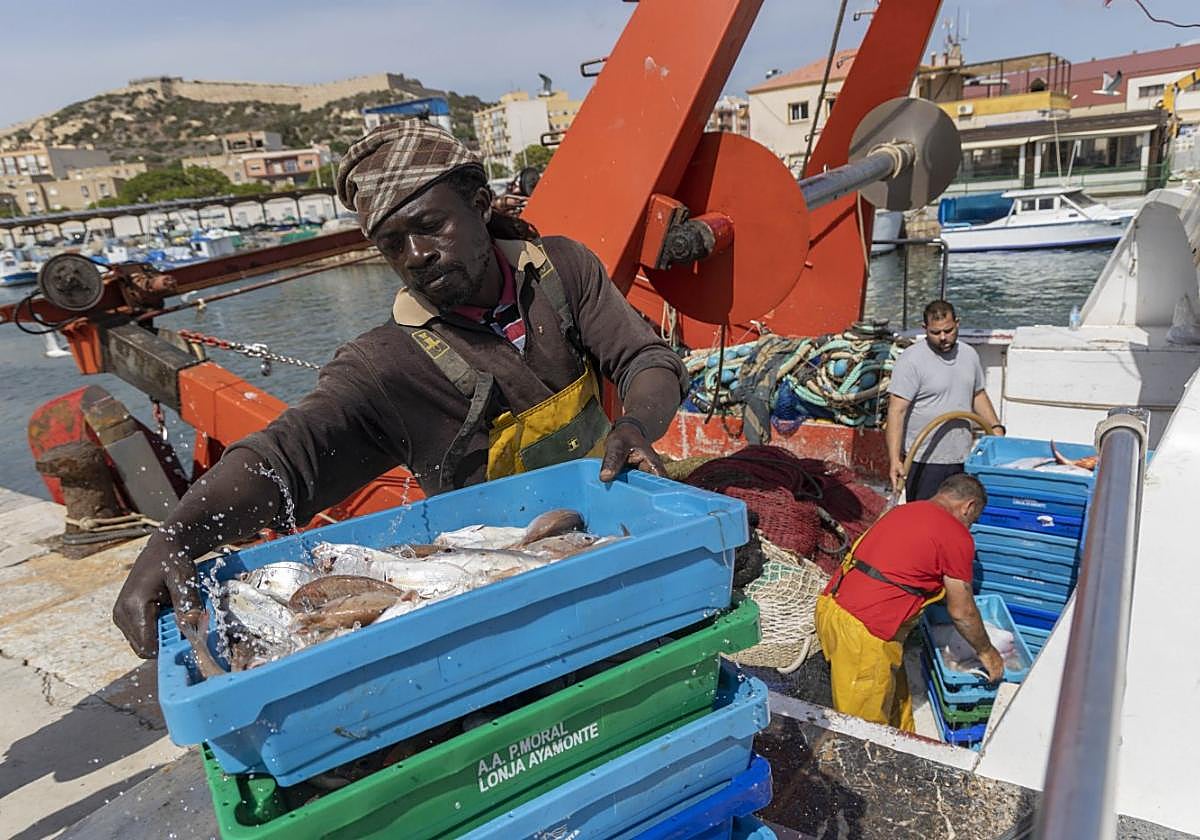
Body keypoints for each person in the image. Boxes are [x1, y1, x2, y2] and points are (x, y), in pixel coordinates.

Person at [112, 120, 688, 657]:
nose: (416, 256)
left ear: (480, 205)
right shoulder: (386, 365)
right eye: (392, 244)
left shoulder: (563, 271)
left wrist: (635, 425)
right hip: (494, 594)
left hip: (609, 530)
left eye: (430, 226)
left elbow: (645, 358)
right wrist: (179, 536)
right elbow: (287, 457)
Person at [814, 473, 1004, 731]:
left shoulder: (903, 511)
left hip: (833, 608)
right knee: (864, 734)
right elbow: (962, 611)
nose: (970, 526)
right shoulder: (955, 534)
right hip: (864, 633)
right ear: (968, 506)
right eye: (973, 520)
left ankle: (904, 750)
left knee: (896, 704)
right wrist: (987, 652)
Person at [886, 299, 1004, 502]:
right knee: (925, 519)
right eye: (935, 332)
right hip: (924, 460)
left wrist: (996, 428)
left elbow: (977, 394)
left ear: (957, 323)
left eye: (948, 330)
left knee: (958, 518)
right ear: (925, 329)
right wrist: (895, 460)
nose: (943, 337)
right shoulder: (911, 360)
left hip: (961, 457)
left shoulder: (969, 355)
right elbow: (896, 411)